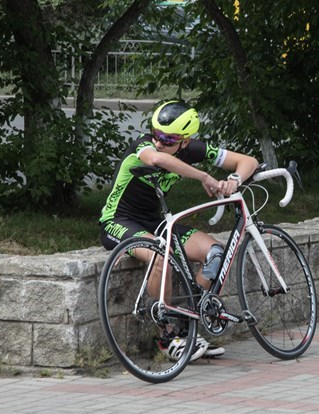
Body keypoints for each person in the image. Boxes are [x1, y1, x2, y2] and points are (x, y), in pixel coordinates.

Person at [98, 99, 259, 361]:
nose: (159, 141)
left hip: (156, 223)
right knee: (161, 257)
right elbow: (158, 158)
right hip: (118, 221)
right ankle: (167, 336)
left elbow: (247, 160)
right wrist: (204, 177)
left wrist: (234, 180)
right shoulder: (144, 146)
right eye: (156, 134)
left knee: (216, 253)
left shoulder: (191, 149)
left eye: (169, 139)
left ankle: (186, 325)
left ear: (185, 141)